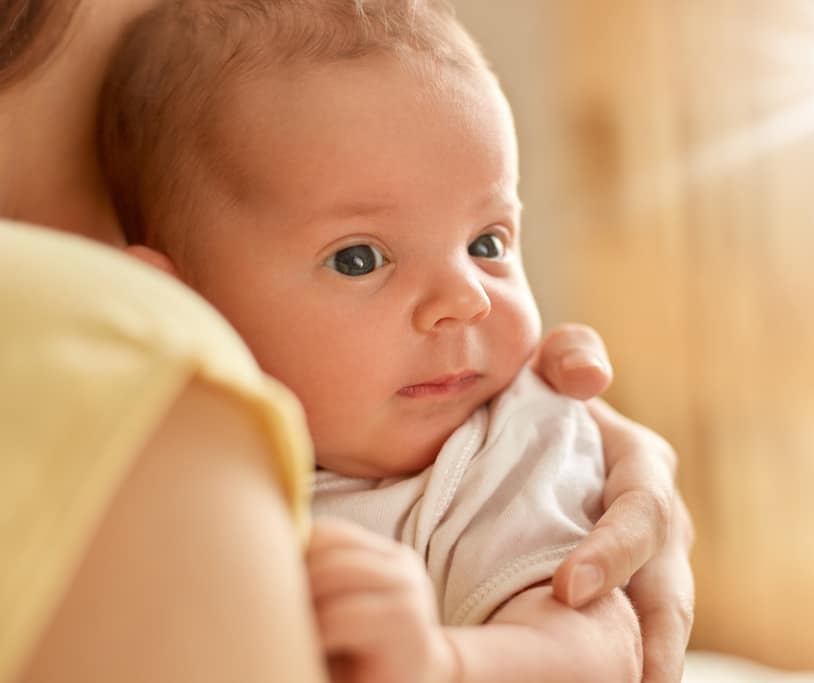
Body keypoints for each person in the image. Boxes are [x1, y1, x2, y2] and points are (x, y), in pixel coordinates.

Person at [0, 1, 693, 682]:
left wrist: (448, 663)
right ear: (175, 299)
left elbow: (599, 638)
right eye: (358, 258)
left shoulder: (504, 448)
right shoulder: (149, 464)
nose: (468, 298)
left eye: (488, 243)